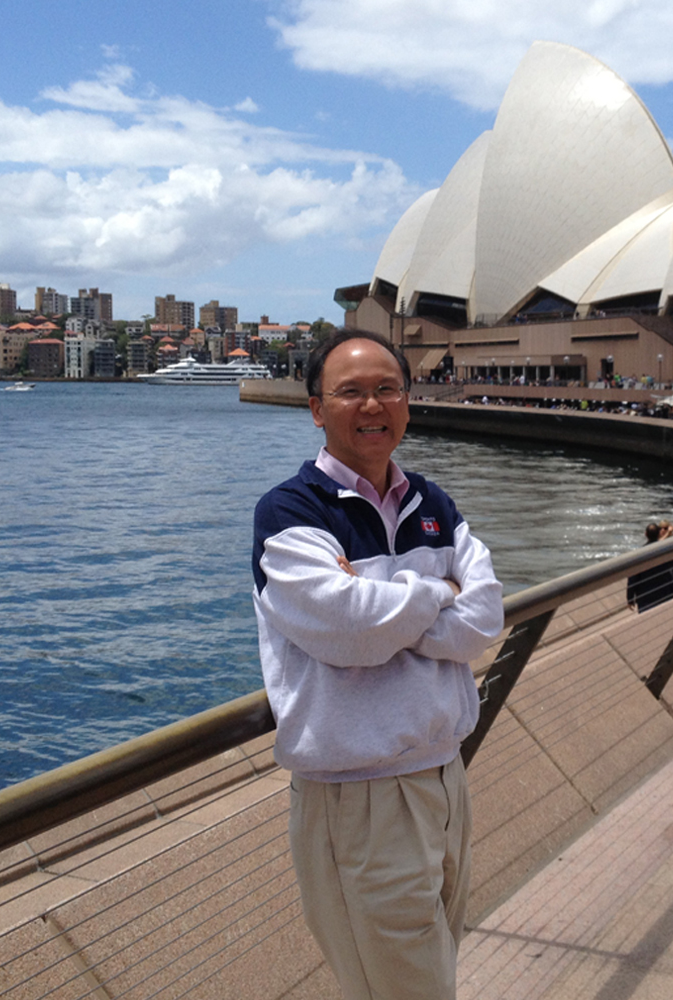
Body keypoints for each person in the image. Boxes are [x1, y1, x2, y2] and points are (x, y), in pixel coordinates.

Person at [252, 329, 504, 1000]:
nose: (373, 405)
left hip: (446, 776)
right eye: (351, 392)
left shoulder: (435, 506)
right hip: (358, 795)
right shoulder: (289, 513)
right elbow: (349, 632)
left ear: (408, 401)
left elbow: (482, 623)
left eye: (387, 388)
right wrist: (436, 594)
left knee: (435, 967)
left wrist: (390, 608)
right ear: (315, 408)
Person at [626, 521, 673, 610]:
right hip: (666, 592)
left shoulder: (639, 555)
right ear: (659, 534)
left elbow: (633, 579)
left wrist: (630, 598)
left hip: (646, 597)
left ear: (645, 534)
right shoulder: (666, 551)